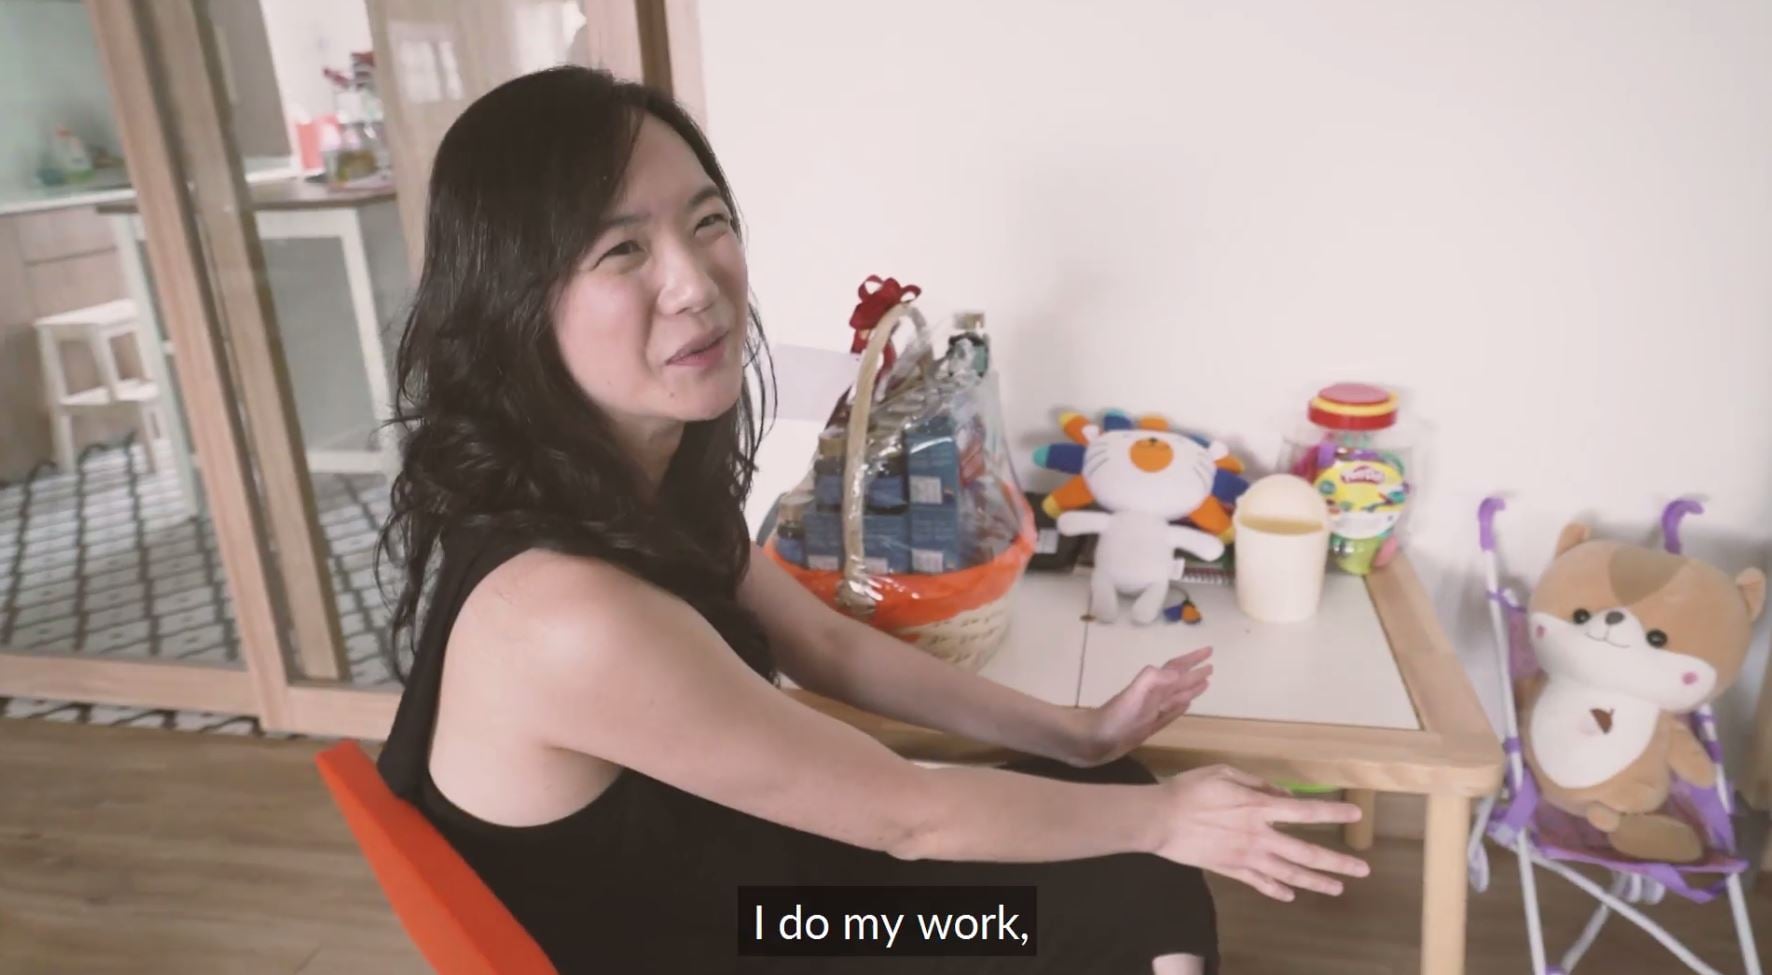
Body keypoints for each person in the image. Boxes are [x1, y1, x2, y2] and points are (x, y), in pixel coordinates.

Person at [375, 65, 1368, 974]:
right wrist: (1170, 823)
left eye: (707, 221)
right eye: (621, 248)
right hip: (740, 935)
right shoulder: (565, 614)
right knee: (1129, 870)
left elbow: (824, 644)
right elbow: (908, 820)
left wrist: (1076, 735)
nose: (695, 284)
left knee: (1112, 800)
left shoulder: (629, 492)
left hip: (744, 892)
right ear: (511, 301)